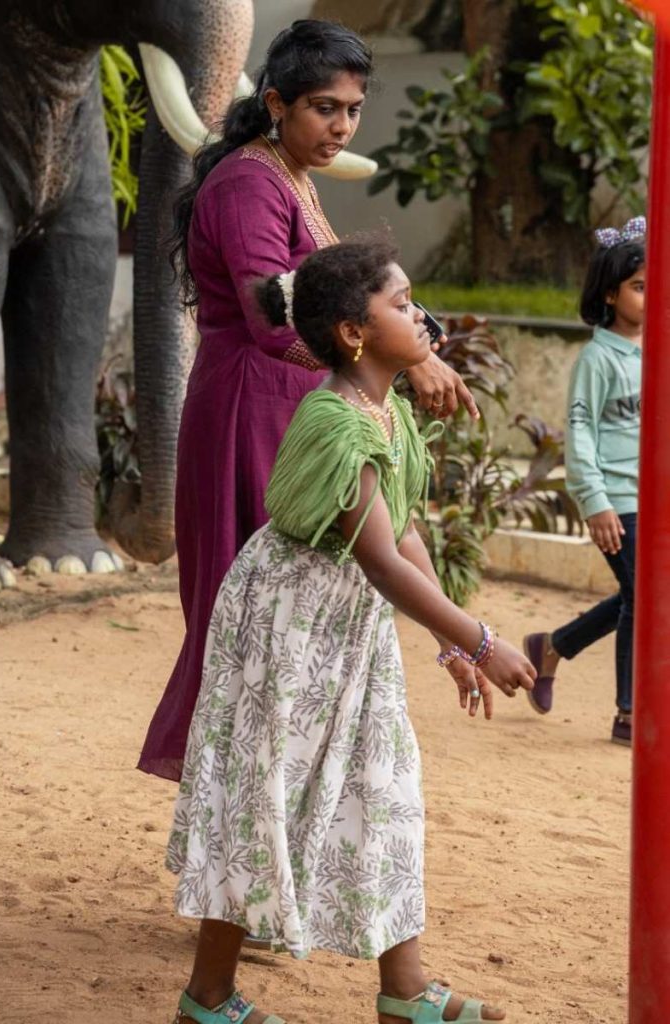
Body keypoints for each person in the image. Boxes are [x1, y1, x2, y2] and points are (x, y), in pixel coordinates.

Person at [165, 237, 536, 1024]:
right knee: (265, 794)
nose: (420, 316)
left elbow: (401, 533)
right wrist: (478, 638)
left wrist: (447, 640)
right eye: (401, 305)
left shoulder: (386, 411)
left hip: (346, 627)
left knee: (384, 788)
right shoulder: (336, 419)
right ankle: (207, 998)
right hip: (288, 626)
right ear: (353, 333)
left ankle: (405, 993)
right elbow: (376, 557)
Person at [138, 20, 478, 783]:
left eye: (352, 109)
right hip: (249, 413)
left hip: (298, 410)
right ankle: (241, 841)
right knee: (260, 632)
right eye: (325, 107)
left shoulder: (289, 175)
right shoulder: (249, 181)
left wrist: (407, 353)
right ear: (277, 103)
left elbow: (337, 300)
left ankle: (283, 832)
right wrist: (393, 359)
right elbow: (270, 318)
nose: (342, 125)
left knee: (313, 624)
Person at [523, 217, 645, 747]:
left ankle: (552, 646)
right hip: (618, 501)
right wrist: (595, 503)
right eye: (641, 285)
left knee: (639, 594)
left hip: (655, 498)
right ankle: (629, 713)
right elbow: (580, 433)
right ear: (611, 294)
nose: (653, 293)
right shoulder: (598, 359)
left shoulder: (657, 351)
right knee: (644, 595)